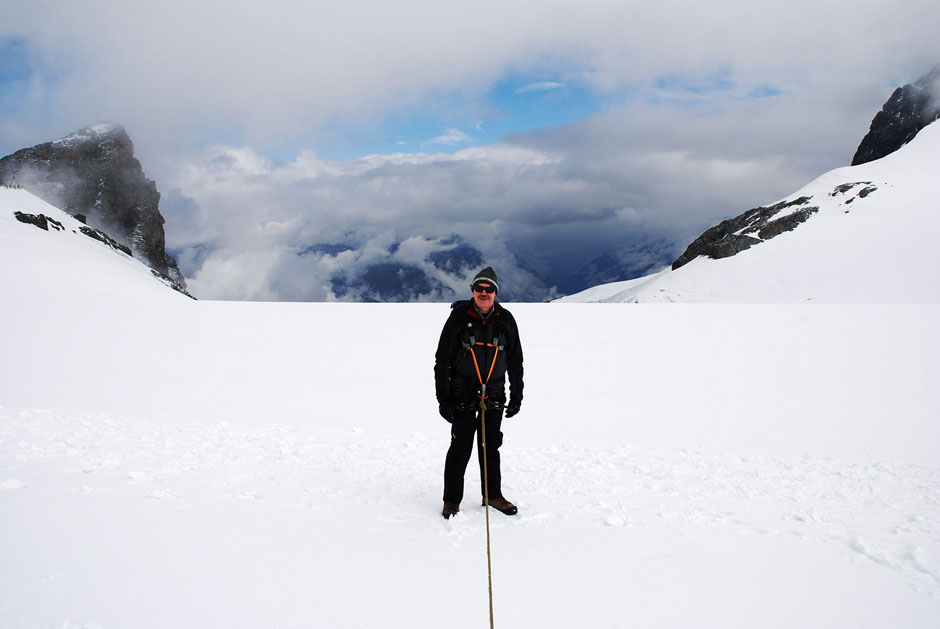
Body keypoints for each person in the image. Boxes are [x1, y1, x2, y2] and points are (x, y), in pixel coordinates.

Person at [434, 266, 524, 519]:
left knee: (490, 446)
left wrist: (517, 396)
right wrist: (443, 399)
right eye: (479, 288)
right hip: (462, 393)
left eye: (489, 289)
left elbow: (516, 361)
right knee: (460, 447)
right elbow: (442, 361)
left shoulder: (506, 320)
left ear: (496, 292)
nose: (483, 293)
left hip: (494, 394)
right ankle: (451, 500)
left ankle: (492, 495)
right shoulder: (458, 318)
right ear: (472, 290)